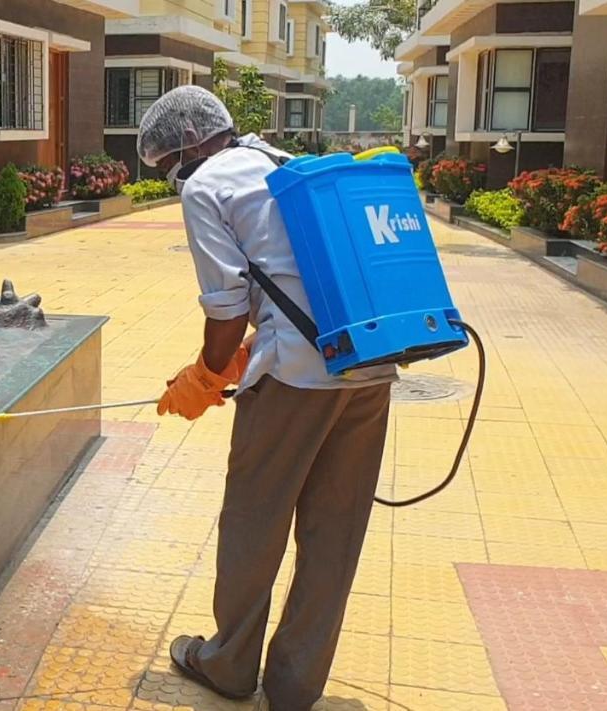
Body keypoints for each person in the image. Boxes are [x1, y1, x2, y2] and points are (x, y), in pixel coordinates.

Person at [137, 85, 398, 711]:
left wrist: (204, 374)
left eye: (165, 165)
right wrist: (235, 355)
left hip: (297, 379)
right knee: (335, 531)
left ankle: (228, 665)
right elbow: (294, 283)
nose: (171, 177)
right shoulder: (281, 164)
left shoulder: (207, 187)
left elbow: (226, 308)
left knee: (255, 519)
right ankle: (295, 684)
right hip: (371, 364)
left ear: (186, 147)